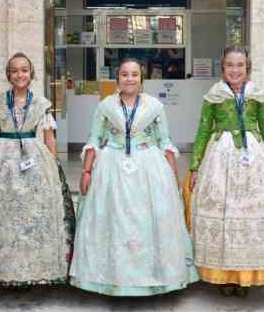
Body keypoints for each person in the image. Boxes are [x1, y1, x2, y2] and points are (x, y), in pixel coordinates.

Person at [70, 58, 199, 296]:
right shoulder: (105, 106)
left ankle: (154, 277)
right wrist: (86, 171)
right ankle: (113, 279)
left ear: (142, 79)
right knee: (114, 220)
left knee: (148, 221)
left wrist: (173, 176)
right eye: (125, 74)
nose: (130, 79)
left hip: (148, 166)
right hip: (112, 166)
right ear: (117, 78)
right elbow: (95, 140)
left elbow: (165, 142)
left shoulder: (155, 106)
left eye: (135, 75)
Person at [184, 46, 264, 296]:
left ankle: (246, 275)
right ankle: (226, 277)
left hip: (255, 157)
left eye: (240, 65)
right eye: (230, 65)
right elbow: (203, 130)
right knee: (225, 214)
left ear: (248, 68)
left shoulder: (258, 95)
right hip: (220, 158)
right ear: (222, 68)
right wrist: (195, 165)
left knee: (249, 216)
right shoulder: (213, 96)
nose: (235, 70)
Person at [0, 53, 75, 287]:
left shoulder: (41, 104)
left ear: (31, 73)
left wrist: (52, 165)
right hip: (0, 160)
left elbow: (49, 137)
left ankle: (31, 269)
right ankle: (0, 269)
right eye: (15, 71)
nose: (20, 74)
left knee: (31, 213)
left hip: (33, 157)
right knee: (0, 214)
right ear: (8, 75)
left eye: (24, 70)